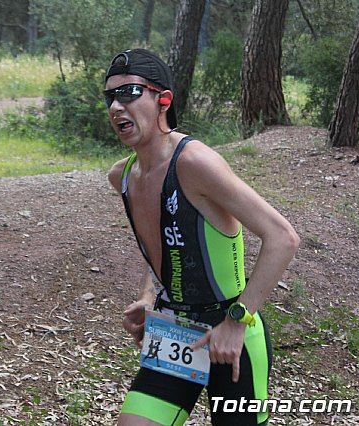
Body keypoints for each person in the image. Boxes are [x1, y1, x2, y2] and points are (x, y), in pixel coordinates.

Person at [104, 48, 300, 426]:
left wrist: (237, 321)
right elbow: (163, 247)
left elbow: (282, 237)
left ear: (163, 100)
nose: (116, 106)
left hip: (232, 336)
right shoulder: (123, 176)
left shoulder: (194, 163)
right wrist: (148, 296)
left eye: (129, 93)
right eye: (110, 96)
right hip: (174, 332)